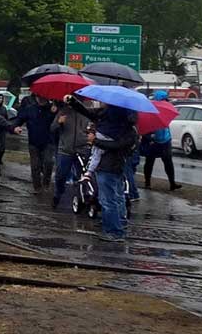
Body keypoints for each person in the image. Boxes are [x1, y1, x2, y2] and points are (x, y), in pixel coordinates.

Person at [73, 100, 137, 242]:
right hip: (114, 166)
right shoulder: (125, 127)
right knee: (116, 196)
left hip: (108, 166)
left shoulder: (116, 128)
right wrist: (74, 102)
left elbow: (115, 146)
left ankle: (114, 231)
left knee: (108, 200)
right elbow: (89, 113)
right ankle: (118, 223)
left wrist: (94, 141)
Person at [9, 93, 58, 194]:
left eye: (43, 97)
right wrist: (14, 127)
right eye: (38, 97)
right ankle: (37, 187)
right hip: (33, 141)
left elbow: (59, 123)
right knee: (35, 165)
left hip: (49, 141)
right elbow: (19, 119)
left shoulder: (53, 108)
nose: (40, 99)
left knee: (48, 162)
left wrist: (56, 112)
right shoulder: (29, 109)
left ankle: (46, 183)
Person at [51, 94, 93, 209]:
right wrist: (59, 122)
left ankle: (82, 197)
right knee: (61, 175)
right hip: (65, 150)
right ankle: (58, 194)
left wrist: (91, 135)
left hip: (82, 149)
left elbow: (93, 128)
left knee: (82, 176)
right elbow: (52, 129)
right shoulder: (63, 112)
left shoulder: (86, 113)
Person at [143, 90, 181, 191]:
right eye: (164, 99)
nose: (166, 101)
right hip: (153, 141)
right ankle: (147, 183)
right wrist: (149, 137)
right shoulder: (150, 110)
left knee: (168, 162)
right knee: (149, 162)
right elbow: (146, 126)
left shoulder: (165, 108)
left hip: (165, 139)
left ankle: (172, 183)